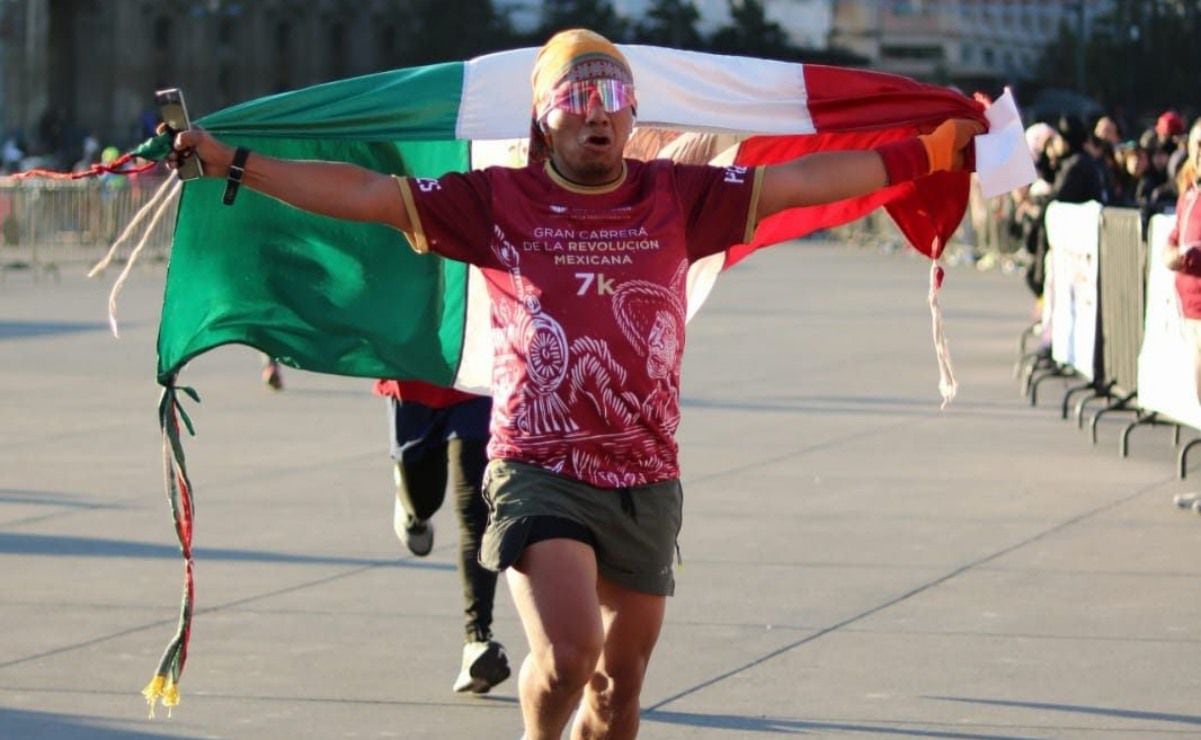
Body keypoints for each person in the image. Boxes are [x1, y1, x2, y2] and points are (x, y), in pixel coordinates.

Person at [167, 29, 983, 739]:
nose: (598, 110)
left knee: (618, 696)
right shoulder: (499, 200)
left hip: (645, 476)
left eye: (613, 96)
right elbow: (370, 195)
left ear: (634, 115)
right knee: (566, 658)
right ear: (542, 117)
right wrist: (238, 163)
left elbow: (809, 183)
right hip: (536, 467)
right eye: (576, 96)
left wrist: (927, 155)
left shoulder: (679, 194)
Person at [373, 378, 511, 693]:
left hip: (475, 382)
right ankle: (414, 512)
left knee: (476, 512)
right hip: (413, 376)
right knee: (424, 498)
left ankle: (477, 639)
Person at [1162, 138, 1201, 513]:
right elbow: (1174, 236)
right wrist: (1170, 253)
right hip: (1189, 309)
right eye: (1198, 145)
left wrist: (1188, 259)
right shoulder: (1188, 192)